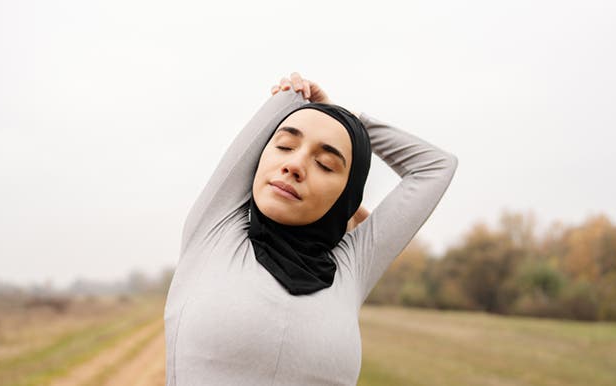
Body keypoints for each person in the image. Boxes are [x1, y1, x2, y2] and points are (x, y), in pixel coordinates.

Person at [163, 72, 458, 385]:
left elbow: (436, 167)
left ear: (346, 196)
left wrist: (350, 120)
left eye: (326, 164)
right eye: (286, 146)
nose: (294, 165)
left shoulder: (353, 267)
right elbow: (290, 96)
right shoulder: (214, 231)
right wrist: (307, 103)